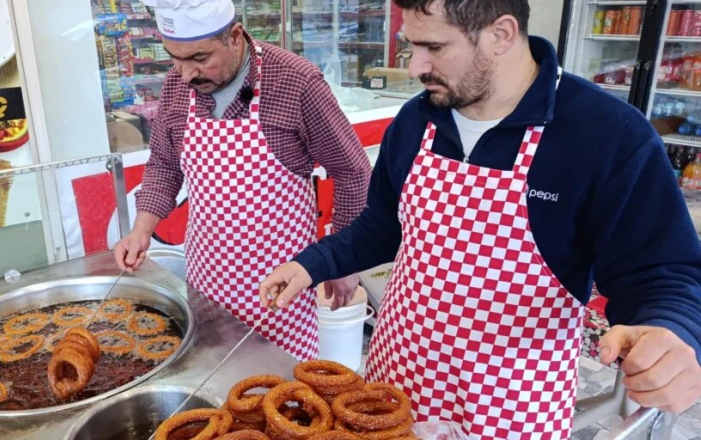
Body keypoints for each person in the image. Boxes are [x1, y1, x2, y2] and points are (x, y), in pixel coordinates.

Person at [260, 0, 701, 437]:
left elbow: (660, 272)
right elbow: (381, 227)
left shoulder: (607, 135)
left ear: (501, 34)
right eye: (411, 46)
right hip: (398, 381)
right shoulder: (415, 121)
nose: (414, 67)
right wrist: (313, 264)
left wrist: (671, 332)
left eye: (434, 47)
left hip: (510, 405)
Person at [114, 0, 372, 361]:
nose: (186, 74)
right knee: (212, 376)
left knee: (283, 384)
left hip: (283, 284)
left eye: (200, 58)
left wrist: (343, 261)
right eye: (175, 59)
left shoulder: (295, 81)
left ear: (235, 36)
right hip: (208, 280)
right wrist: (142, 229)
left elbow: (352, 171)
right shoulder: (177, 86)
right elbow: (164, 164)